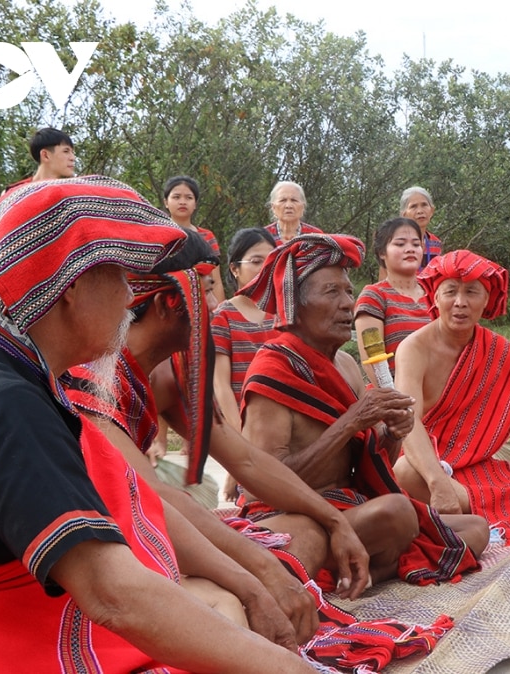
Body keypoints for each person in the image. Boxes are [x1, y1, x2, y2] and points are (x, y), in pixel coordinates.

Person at [0, 176, 312, 672]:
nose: (127, 298)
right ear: (71, 286)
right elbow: (113, 595)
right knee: (212, 633)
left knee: (216, 610)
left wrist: (253, 583)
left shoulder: (1, 362)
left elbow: (135, 499)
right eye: (118, 276)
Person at [66, 234, 375, 648]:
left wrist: (334, 520)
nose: (215, 308)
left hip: (163, 525)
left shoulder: (172, 371)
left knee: (308, 531)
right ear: (165, 304)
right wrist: (258, 574)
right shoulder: (91, 377)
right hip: (107, 545)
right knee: (232, 604)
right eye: (205, 292)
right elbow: (151, 498)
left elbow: (245, 461)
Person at [239, 234, 486, 587]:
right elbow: (262, 487)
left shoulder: (345, 365)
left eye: (348, 292)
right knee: (397, 512)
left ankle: (364, 571)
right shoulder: (274, 370)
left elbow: (366, 460)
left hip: (353, 508)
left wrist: (391, 433)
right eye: (331, 293)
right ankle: (369, 564)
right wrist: (353, 419)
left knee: (476, 528)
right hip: (296, 516)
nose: (347, 305)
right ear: (295, 305)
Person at [394, 250, 510, 543]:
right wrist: (438, 482)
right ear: (435, 297)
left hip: (481, 472)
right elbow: (408, 420)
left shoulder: (500, 351)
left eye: (472, 292)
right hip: (432, 467)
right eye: (450, 291)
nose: (460, 302)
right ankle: (494, 505)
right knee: (404, 470)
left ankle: (474, 512)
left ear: (487, 300)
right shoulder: (414, 348)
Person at [213, 227, 279, 429]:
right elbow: (220, 384)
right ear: (235, 269)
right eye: (256, 261)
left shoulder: (285, 314)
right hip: (244, 425)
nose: (264, 268)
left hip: (283, 425)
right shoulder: (223, 317)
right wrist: (241, 432)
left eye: (270, 262)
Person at [354, 217, 432, 384]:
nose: (410, 249)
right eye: (400, 244)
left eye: (416, 244)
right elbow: (374, 361)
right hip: (398, 400)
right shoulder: (374, 296)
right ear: (383, 252)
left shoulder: (436, 293)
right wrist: (399, 402)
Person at [164, 175, 226, 306]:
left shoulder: (206, 236)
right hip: (167, 302)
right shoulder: (158, 234)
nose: (182, 202)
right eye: (176, 197)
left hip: (203, 302)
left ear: (195, 204)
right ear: (166, 202)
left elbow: (216, 280)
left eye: (189, 197)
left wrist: (219, 312)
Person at [376, 186, 443, 281]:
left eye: (424, 205)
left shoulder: (436, 243)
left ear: (431, 210)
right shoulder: (395, 242)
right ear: (404, 214)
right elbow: (383, 279)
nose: (420, 211)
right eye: (413, 206)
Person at [3, 127, 77, 193]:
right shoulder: (14, 193)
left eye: (72, 152)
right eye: (66, 151)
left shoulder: (76, 191)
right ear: (45, 155)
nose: (72, 158)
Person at [266, 181, 323, 246]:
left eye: (294, 200)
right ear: (273, 207)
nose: (288, 205)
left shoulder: (316, 236)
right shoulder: (263, 237)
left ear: (303, 206)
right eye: (283, 200)